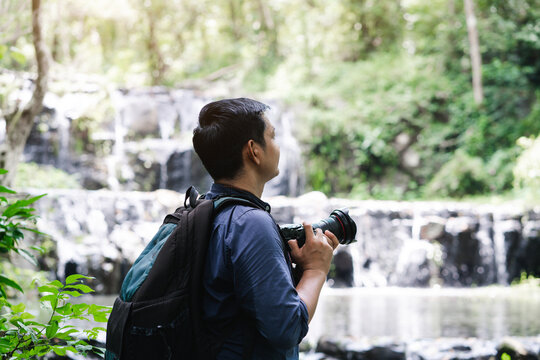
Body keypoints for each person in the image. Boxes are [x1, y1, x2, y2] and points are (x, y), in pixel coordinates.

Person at [192, 98, 339, 360]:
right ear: (254, 151)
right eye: (272, 136)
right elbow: (286, 329)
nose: (278, 145)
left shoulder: (205, 212)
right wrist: (317, 270)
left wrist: (302, 268)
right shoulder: (250, 223)